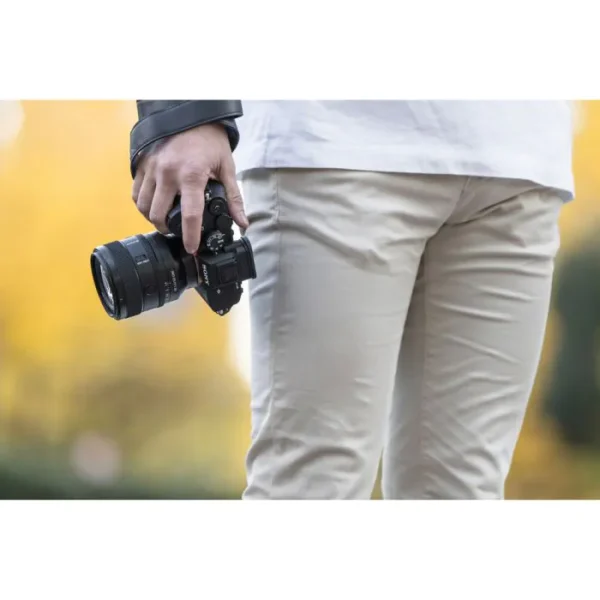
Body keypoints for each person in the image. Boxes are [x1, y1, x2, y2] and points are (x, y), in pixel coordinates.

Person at [131, 100, 575, 499]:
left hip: (521, 162)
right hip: (334, 143)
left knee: (464, 492)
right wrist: (180, 112)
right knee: (313, 483)